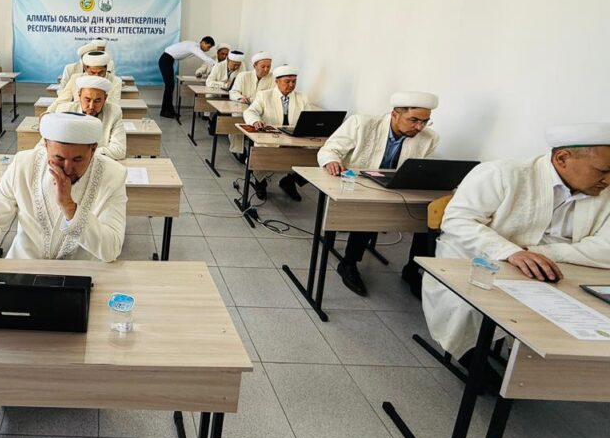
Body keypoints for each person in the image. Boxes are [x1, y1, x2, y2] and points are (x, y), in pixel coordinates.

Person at [423, 124, 610, 366]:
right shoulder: (502, 173)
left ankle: (537, 365)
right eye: (603, 171)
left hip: (557, 267)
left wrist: (540, 253)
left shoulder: (604, 191)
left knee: (585, 314)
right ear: (562, 158)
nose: (608, 180)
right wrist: (509, 252)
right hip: (479, 255)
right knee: (470, 306)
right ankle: (471, 355)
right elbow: (458, 220)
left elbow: (605, 248)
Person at [0, 112, 128, 282]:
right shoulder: (24, 165)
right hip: (23, 270)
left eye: (78, 159)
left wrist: (69, 207)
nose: (67, 168)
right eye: (59, 158)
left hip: (81, 275)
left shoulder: (113, 175)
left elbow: (110, 249)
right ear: (45, 145)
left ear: (93, 150)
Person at [317, 91, 440, 297]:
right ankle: (349, 263)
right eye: (414, 120)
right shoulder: (362, 124)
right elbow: (329, 149)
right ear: (395, 114)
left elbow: (420, 168)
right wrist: (331, 161)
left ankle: (413, 270)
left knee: (428, 216)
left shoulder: (429, 138)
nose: (419, 127)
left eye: (425, 122)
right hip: (357, 186)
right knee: (370, 212)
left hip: (396, 190)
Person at [243, 64, 312, 201]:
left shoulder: (302, 98)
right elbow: (250, 111)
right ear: (277, 81)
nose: (291, 85)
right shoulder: (264, 95)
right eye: (287, 81)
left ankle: (289, 181)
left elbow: (308, 119)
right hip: (271, 139)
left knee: (312, 156)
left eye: (294, 81)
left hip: (294, 140)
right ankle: (260, 182)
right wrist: (256, 121)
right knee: (260, 156)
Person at [47, 75, 126, 160]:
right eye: (87, 100)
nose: (91, 106)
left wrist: (79, 153)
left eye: (97, 101)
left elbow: (119, 150)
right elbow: (50, 147)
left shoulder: (114, 112)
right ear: (79, 96)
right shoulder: (64, 110)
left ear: (105, 98)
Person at [228, 52, 274, 161]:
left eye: (268, 66)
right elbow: (233, 92)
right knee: (236, 118)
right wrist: (240, 98)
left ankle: (258, 155)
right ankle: (237, 149)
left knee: (265, 122)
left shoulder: (273, 78)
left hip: (261, 110)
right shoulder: (243, 76)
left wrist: (252, 99)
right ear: (255, 66)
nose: (266, 69)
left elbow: (271, 96)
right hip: (242, 108)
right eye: (263, 66)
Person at [159, 37, 216, 118]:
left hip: (168, 60)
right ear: (203, 42)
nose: (208, 49)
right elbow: (205, 58)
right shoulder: (194, 47)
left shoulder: (192, 45)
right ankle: (166, 111)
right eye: (208, 47)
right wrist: (218, 65)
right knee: (169, 86)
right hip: (166, 60)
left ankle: (167, 110)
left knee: (170, 86)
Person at [56, 51, 124, 103]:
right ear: (85, 68)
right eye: (93, 73)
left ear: (106, 68)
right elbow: (61, 100)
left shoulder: (115, 81)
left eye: (100, 72)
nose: (96, 76)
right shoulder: (75, 79)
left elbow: (114, 105)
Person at [205, 50, 246, 135]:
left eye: (238, 65)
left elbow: (242, 82)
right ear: (228, 60)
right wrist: (223, 85)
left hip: (232, 94)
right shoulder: (218, 66)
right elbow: (209, 82)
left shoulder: (242, 66)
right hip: (217, 93)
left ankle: (229, 129)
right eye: (234, 64)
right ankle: (212, 122)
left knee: (237, 109)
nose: (236, 67)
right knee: (212, 100)